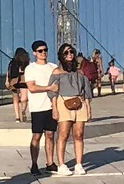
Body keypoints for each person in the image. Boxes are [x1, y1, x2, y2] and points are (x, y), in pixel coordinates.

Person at [52, 44, 94, 175]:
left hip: (79, 102)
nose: (69, 54)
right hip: (63, 102)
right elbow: (53, 92)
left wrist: (88, 107)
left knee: (79, 134)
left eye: (71, 52)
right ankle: (61, 164)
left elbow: (86, 92)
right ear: (61, 56)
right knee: (63, 134)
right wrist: (54, 108)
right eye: (66, 53)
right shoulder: (57, 72)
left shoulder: (79, 73)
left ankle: (79, 164)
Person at [22, 40, 58, 173]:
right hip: (37, 107)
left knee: (50, 134)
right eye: (40, 51)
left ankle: (50, 162)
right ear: (35, 53)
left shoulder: (53, 67)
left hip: (51, 106)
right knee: (36, 136)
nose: (43, 53)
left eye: (45, 50)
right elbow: (31, 87)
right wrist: (49, 87)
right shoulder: (30, 68)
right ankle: (34, 163)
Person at [6, 47, 30, 122]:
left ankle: (23, 111)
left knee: (23, 98)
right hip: (15, 80)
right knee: (17, 98)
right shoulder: (13, 62)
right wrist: (7, 80)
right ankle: (17, 116)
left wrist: (7, 80)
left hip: (22, 80)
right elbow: (9, 72)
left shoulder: (27, 62)